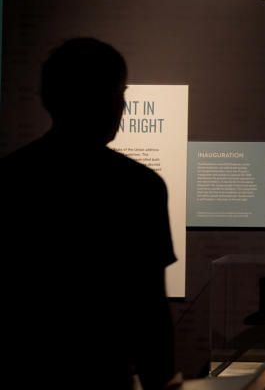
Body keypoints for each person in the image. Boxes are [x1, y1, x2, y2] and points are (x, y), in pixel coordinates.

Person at [2, 38, 179, 389]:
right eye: (120, 93)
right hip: (101, 375)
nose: (123, 106)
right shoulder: (138, 187)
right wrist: (159, 380)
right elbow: (149, 312)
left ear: (48, 98)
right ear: (110, 98)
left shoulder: (9, 178)